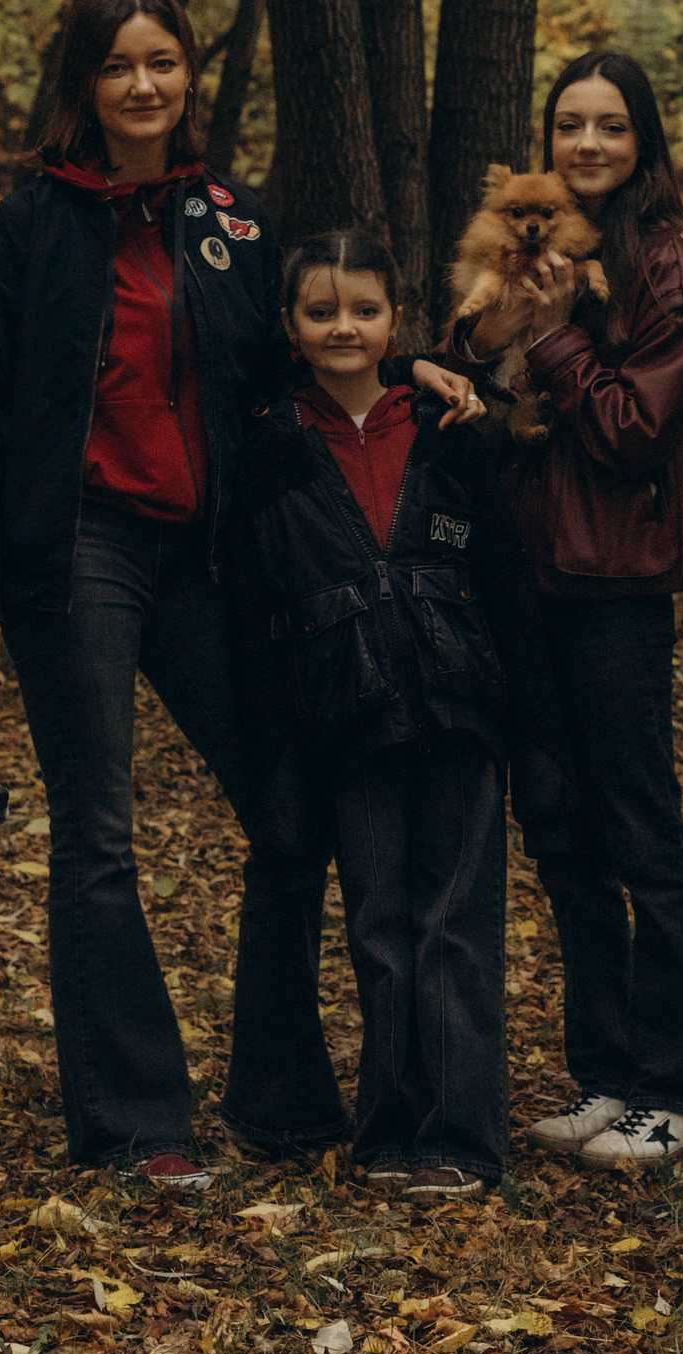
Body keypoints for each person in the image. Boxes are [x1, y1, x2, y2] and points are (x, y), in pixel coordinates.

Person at [0, 0, 480, 1188]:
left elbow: (301, 362)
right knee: (101, 831)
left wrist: (419, 373)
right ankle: (136, 1124)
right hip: (79, 546)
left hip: (212, 555)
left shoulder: (231, 217)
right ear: (86, 83)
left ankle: (280, 1095)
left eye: (164, 63)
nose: (144, 85)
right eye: (120, 65)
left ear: (189, 77)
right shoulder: (35, 223)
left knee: (289, 814)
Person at [445, 50, 683, 1169]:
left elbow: (628, 435)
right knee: (558, 827)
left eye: (612, 127)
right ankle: (604, 1074)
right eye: (571, 126)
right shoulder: (544, 244)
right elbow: (478, 377)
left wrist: (557, 335)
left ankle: (673, 1086)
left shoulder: (670, 271)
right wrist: (490, 342)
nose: (589, 146)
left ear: (642, 141)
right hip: (529, 573)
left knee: (639, 829)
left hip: (615, 579)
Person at [223, 233, 522, 1200]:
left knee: (458, 921)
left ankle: (462, 1136)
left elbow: (505, 580)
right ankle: (390, 1131)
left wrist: (525, 709)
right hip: (344, 715)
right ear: (291, 327)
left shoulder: (450, 430)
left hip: (459, 704)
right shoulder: (268, 444)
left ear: (398, 324)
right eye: (320, 311)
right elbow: (252, 604)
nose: (343, 326)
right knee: (382, 925)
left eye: (364, 309)